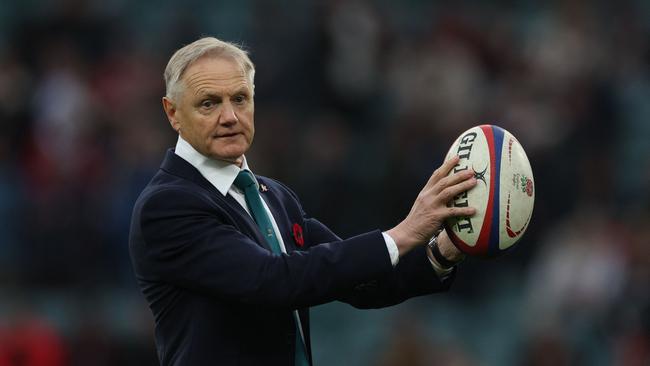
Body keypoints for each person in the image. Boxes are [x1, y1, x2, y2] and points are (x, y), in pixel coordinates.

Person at [129, 36, 477, 366]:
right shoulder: (167, 205)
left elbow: (363, 282)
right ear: (172, 113)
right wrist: (404, 232)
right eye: (209, 103)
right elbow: (271, 281)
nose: (230, 117)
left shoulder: (276, 197)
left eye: (240, 98)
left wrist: (442, 250)